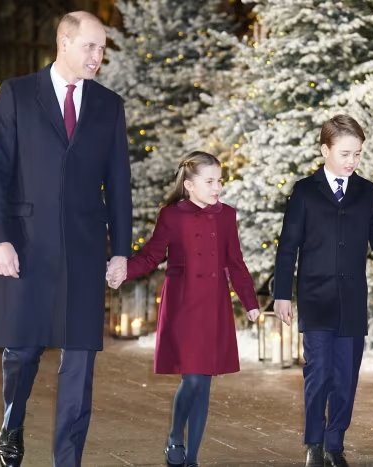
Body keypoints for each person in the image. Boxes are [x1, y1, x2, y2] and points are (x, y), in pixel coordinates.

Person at [0, 11, 132, 467]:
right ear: (64, 43)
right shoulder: (17, 94)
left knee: (80, 361)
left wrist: (121, 250)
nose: (97, 57)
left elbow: (119, 184)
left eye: (102, 49)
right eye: (90, 46)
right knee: (23, 350)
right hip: (26, 246)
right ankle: (12, 420)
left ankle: (68, 459)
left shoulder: (109, 105)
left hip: (85, 251)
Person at [107, 151, 260, 467]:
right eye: (210, 181)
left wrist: (250, 302)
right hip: (183, 306)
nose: (217, 187)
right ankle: (176, 437)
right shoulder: (171, 216)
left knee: (203, 381)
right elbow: (151, 256)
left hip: (214, 307)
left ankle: (191, 458)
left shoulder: (226, 215)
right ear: (189, 185)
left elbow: (235, 262)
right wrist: (124, 270)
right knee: (192, 379)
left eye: (219, 180)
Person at [272, 115, 373, 467]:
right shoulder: (304, 191)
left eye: (357, 154)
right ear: (324, 150)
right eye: (345, 153)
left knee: (346, 376)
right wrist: (282, 293)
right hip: (315, 300)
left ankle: (335, 444)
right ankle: (314, 443)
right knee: (319, 373)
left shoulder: (366, 192)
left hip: (352, 302)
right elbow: (288, 247)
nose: (351, 161)